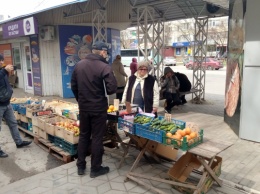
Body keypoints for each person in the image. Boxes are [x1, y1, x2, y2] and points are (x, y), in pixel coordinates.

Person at [71, 41, 117, 177]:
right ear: (102, 52)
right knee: (97, 137)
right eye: (106, 52)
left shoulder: (79, 65)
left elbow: (74, 86)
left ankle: (80, 166)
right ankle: (95, 168)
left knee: (84, 135)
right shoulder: (104, 66)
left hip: (84, 107)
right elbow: (112, 89)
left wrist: (81, 101)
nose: (106, 54)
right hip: (98, 109)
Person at [0, 54, 32, 158]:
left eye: (2, 60)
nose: (1, 62)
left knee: (13, 123)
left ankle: (19, 142)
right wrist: (5, 71)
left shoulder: (2, 71)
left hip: (7, 103)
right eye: (0, 61)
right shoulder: (2, 71)